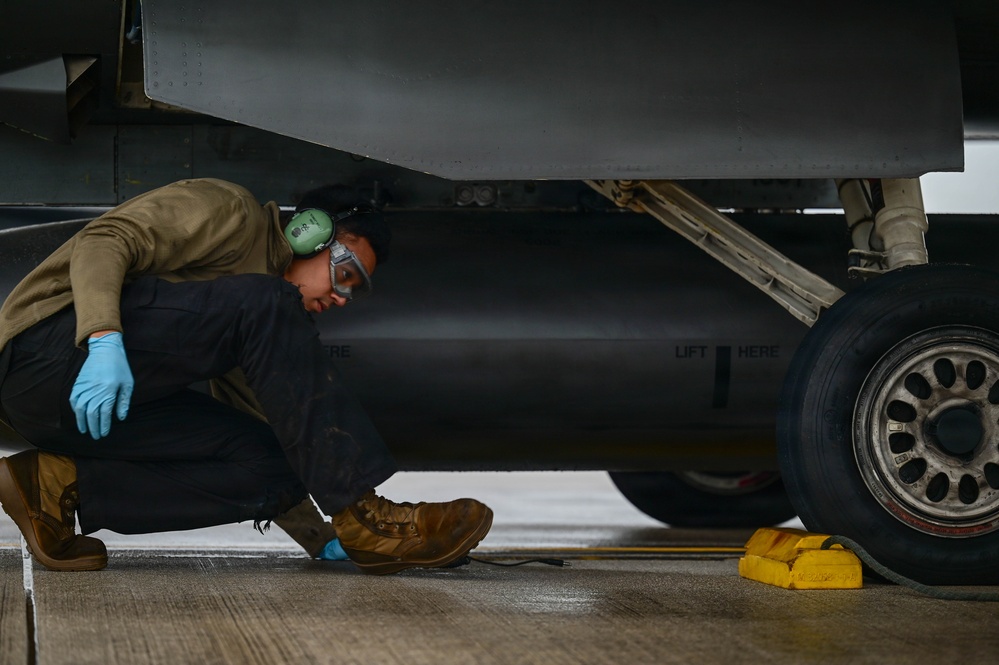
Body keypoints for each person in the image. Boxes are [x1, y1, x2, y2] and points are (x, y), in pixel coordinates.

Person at [0, 178, 492, 574]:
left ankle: (53, 486)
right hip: (44, 354)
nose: (341, 298)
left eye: (355, 292)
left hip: (79, 417)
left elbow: (280, 428)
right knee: (267, 300)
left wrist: (322, 539)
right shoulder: (230, 212)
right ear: (311, 232)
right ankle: (367, 516)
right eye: (345, 275)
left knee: (274, 465)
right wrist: (104, 338)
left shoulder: (256, 322)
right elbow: (104, 240)